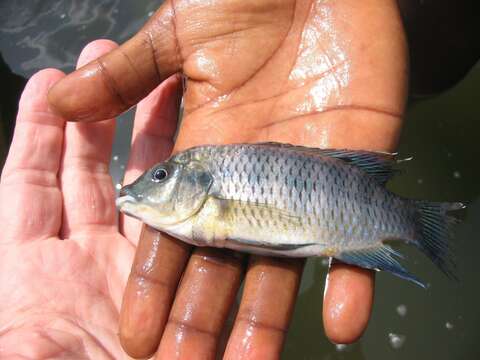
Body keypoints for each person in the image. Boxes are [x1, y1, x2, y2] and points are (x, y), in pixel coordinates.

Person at [0, 0, 475, 358]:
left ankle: (422, 221)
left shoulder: (212, 196)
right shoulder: (200, 203)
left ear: (197, 184)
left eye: (164, 175)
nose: (151, 182)